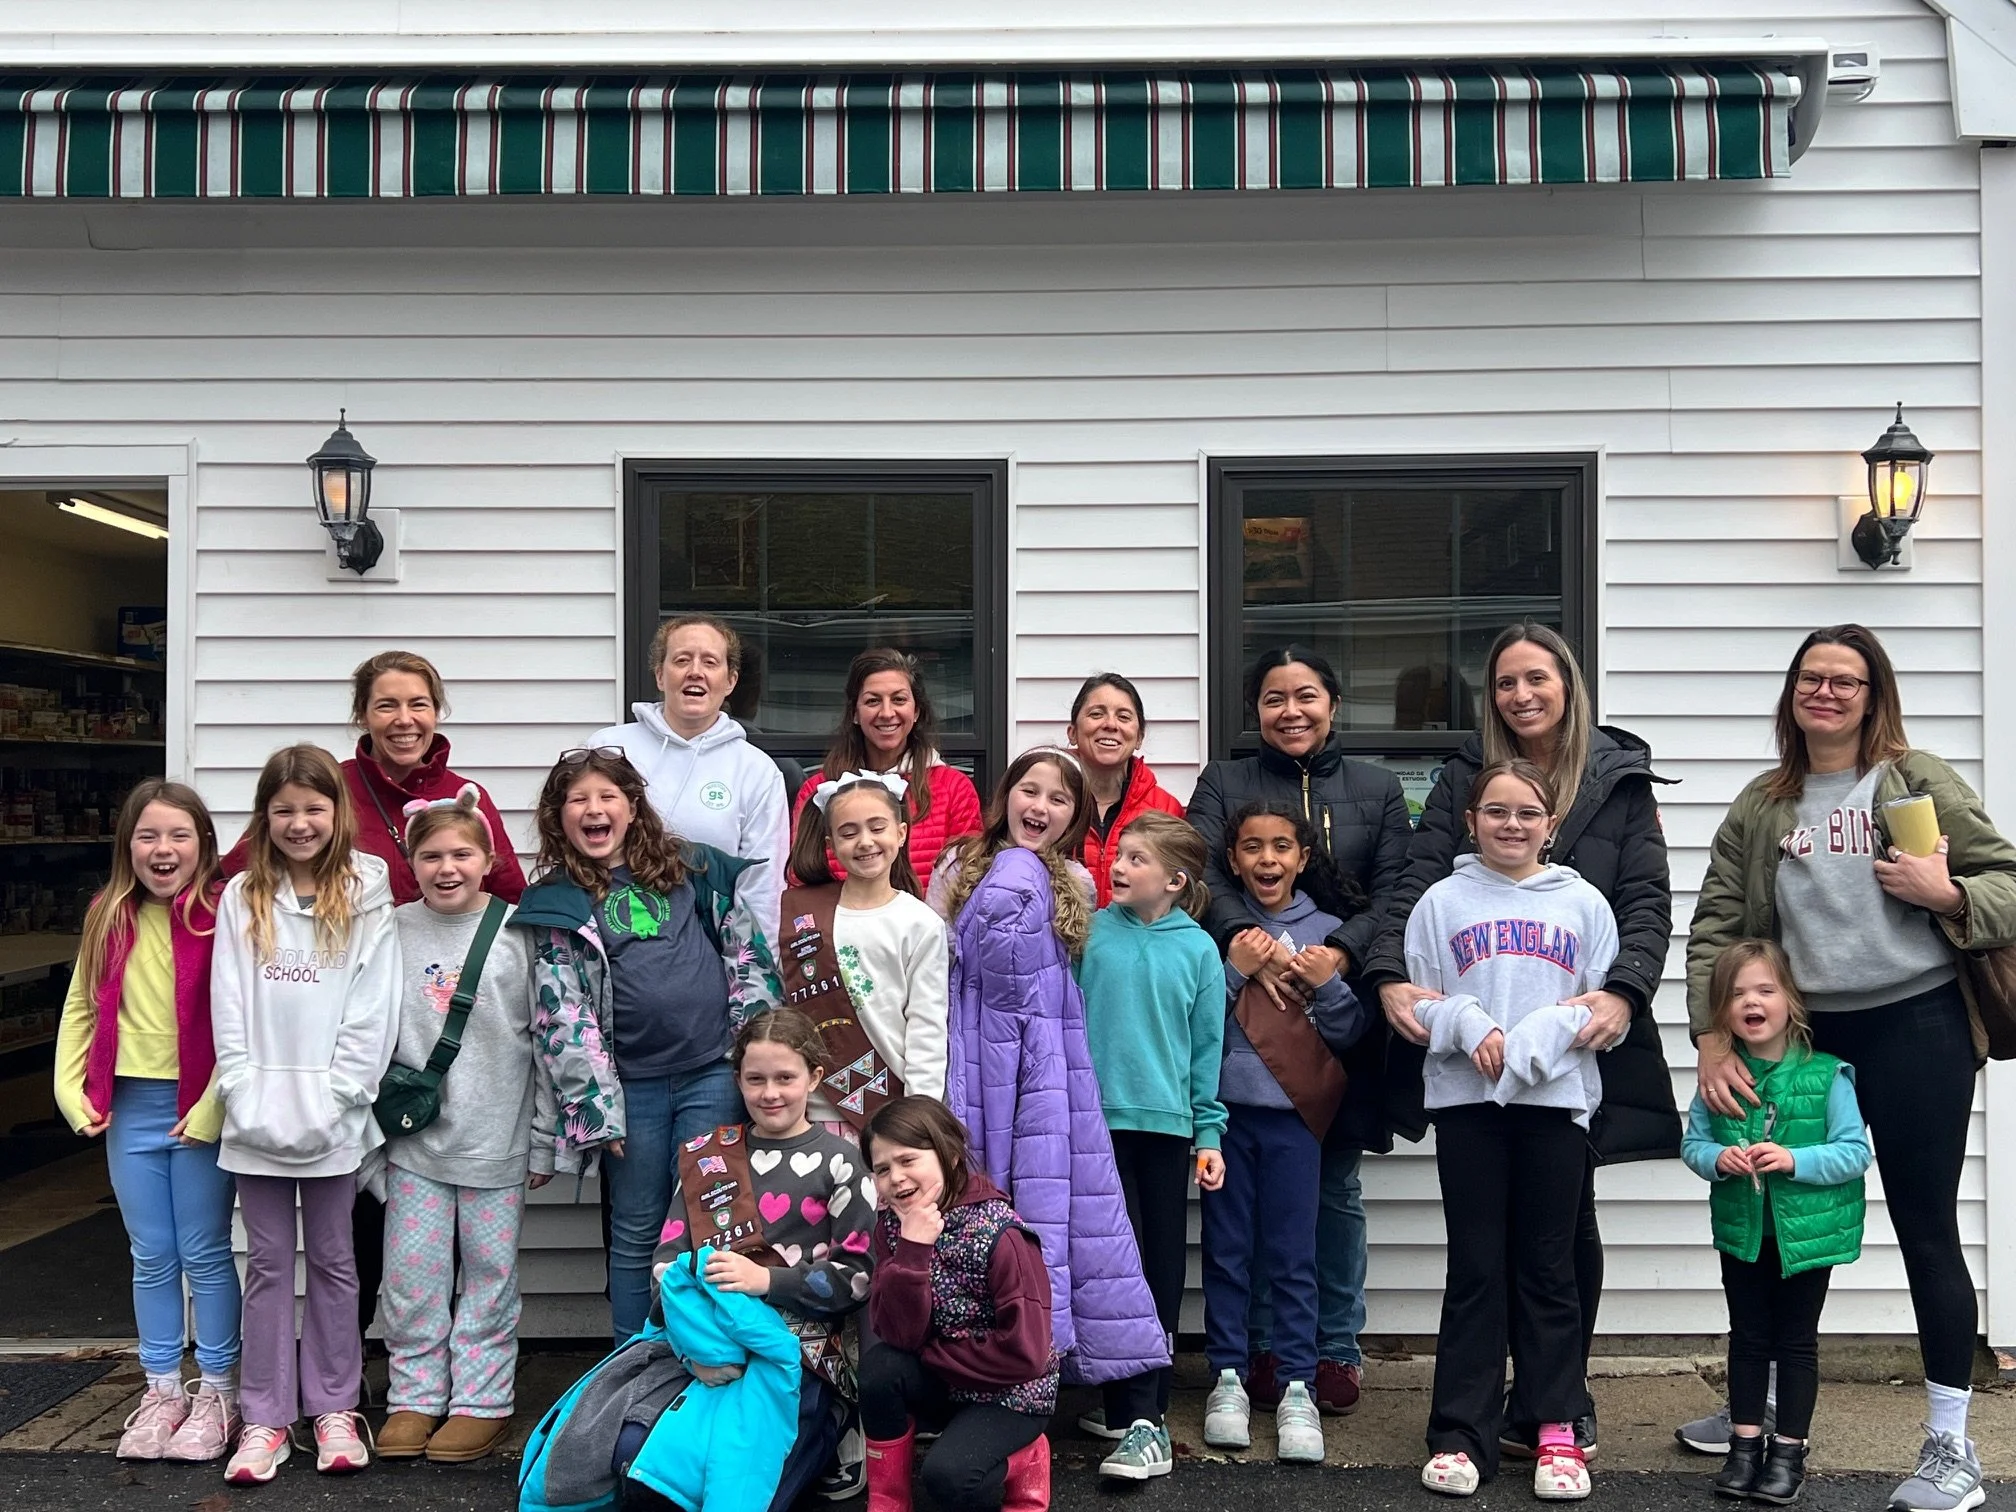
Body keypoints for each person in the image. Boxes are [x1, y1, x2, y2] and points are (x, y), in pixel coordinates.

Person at [1685, 623, 2016, 1512]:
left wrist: (1945, 894)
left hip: (1917, 1027)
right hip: (1805, 1040)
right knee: (1776, 1211)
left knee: (1924, 1227)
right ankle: (1757, 1405)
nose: (1825, 692)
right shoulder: (1763, 803)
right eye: (1811, 678)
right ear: (1792, 692)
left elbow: (2007, 884)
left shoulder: (1916, 780)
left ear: (1875, 695)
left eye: (1846, 680)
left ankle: (1950, 1448)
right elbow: (1718, 924)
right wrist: (1714, 1041)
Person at [1364, 621, 1679, 1457]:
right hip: (1478, 1054)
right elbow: (1413, 884)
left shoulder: (1616, 776)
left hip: (1579, 1034)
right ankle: (1483, 1412)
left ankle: (1555, 1410)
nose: (1522, 694)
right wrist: (1391, 973)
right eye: (1506, 682)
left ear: (1566, 684)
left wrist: (1623, 993)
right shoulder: (1465, 774)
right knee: (1490, 1252)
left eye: (1537, 677)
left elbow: (1647, 897)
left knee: (1566, 1238)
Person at [217, 648, 525, 1356]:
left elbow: (506, 891)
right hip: (343, 1033)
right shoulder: (333, 789)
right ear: (362, 714)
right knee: (357, 1211)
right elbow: (246, 871)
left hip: (431, 1025)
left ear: (437, 710)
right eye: (386, 704)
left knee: (440, 1220)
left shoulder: (463, 797)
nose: (403, 718)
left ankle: (450, 1369)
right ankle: (349, 1367)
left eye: (417, 703)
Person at [1186, 646, 1412, 1415]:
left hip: (1335, 1009)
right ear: (1255, 710)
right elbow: (1202, 872)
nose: (1292, 710)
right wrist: (1240, 943)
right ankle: (1257, 1353)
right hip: (1244, 1004)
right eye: (1275, 698)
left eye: (1307, 695)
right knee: (1249, 1210)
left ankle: (1334, 1349)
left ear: (1333, 702)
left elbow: (1397, 888)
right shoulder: (1226, 782)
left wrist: (1340, 956)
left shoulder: (1377, 788)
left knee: (1335, 1191)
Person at [511, 746, 782, 1345]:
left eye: (607, 796)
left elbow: (746, 956)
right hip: (629, 1090)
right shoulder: (558, 901)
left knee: (714, 1219)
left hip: (711, 1070)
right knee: (635, 1229)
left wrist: (754, 1052)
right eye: (577, 800)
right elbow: (563, 1016)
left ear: (632, 807)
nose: (593, 809)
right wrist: (595, 1111)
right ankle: (632, 1359)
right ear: (559, 819)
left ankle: (715, 1352)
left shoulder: (694, 871)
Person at [1406, 759, 1617, 1501]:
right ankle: (1461, 1433)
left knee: (1548, 1268)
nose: (1512, 825)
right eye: (1496, 811)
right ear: (1472, 821)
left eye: (1528, 813)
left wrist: (1545, 1035)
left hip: (1555, 1108)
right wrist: (1462, 1021)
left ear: (1551, 823)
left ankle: (1552, 1425)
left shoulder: (1585, 904)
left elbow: (1600, 1012)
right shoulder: (1440, 901)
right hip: (1468, 1108)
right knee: (1475, 1268)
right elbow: (1422, 1001)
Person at [938, 748, 1170, 1391]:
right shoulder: (960, 865)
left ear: (1073, 818)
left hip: (1045, 1061)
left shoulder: (1077, 881)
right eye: (1029, 791)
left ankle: (1043, 1364)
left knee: (1043, 1208)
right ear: (1006, 794)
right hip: (974, 1050)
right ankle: (987, 1365)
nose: (1039, 807)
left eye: (1058, 799)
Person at [210, 744, 400, 1485]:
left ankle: (333, 1407)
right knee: (264, 1266)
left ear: (336, 813)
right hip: (255, 1115)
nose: (299, 823)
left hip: (334, 1117)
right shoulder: (241, 897)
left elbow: (371, 1004)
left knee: (334, 1262)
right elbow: (229, 1002)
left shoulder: (365, 891)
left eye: (313, 808)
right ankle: (263, 1417)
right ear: (265, 816)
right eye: (284, 809)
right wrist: (242, 1088)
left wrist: (341, 1094)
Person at [617, 1010, 876, 1512]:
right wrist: (699, 1351)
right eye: (755, 1079)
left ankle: (838, 1427)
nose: (770, 1093)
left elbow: (858, 1279)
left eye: (785, 1078)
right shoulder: (706, 1157)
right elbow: (665, 1267)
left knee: (759, 1487)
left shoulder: (842, 1161)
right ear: (736, 1080)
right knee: (644, 1470)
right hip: (712, 1344)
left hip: (804, 1353)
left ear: (814, 1078)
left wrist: (765, 1281)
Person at [53, 780, 240, 1463]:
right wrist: (73, 1095)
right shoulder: (109, 913)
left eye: (178, 836)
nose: (163, 850)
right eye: (148, 836)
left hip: (200, 1108)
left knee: (205, 1250)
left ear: (205, 846)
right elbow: (80, 1007)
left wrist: (212, 1104)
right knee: (151, 1253)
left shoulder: (225, 913)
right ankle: (162, 1386)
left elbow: (242, 1021)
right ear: (127, 847)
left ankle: (218, 1386)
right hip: (130, 1107)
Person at [375, 789, 557, 1465]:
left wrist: (541, 1136)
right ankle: (414, 1395)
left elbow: (544, 1044)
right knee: (413, 1276)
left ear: (486, 860)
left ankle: (482, 1400)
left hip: (495, 1142)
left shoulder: (519, 935)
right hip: (415, 1145)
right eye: (430, 855)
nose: (446, 867)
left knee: (488, 1277)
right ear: (410, 862)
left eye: (461, 853)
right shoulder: (391, 931)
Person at [1198, 802, 1371, 1468]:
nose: (1266, 860)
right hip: (1224, 1120)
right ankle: (1229, 1378)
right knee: (1227, 1250)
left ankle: (1298, 1382)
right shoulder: (1217, 933)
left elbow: (1351, 1034)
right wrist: (1236, 969)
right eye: (1251, 848)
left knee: (1296, 1255)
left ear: (1303, 857)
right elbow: (1195, 1019)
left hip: (1299, 1119)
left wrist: (1328, 984)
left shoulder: (1329, 931)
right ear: (1233, 859)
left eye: (1280, 848)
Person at [1682, 940, 1871, 1507]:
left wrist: (1794, 1160)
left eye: (1765, 990)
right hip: (1743, 1228)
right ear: (1722, 1012)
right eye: (1737, 994)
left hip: (1806, 1235)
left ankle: (1788, 1451)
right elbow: (1693, 1144)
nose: (1751, 1001)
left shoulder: (1827, 1075)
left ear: (1791, 1001)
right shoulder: (1718, 1077)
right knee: (1746, 1338)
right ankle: (1745, 1449)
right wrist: (1719, 1160)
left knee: (1794, 1344)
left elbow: (1853, 1153)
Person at [1074, 812, 1226, 1479]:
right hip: (1095, 1126)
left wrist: (1208, 1132)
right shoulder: (1090, 935)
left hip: (1164, 1132)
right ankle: (1118, 1400)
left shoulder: (1198, 949)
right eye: (1121, 853)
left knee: (1157, 1268)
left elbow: (1205, 1050)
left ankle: (1149, 1418)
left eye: (1138, 858)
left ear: (1175, 878)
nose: (1122, 864)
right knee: (1109, 1266)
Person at [861, 1095, 1057, 1512]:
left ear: (949, 1156)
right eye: (882, 1169)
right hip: (950, 1379)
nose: (895, 1178)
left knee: (949, 1479)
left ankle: (1026, 1459)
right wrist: (912, 1252)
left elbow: (1027, 1354)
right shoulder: (895, 1227)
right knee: (879, 1368)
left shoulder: (1001, 1235)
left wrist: (932, 1357)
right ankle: (889, 1502)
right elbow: (896, 1334)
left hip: (1012, 1395)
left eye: (908, 1160)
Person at [589, 614, 793, 946]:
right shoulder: (608, 750)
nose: (695, 671)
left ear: (730, 681)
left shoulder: (756, 771)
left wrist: (757, 978)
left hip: (709, 951)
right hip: (613, 943)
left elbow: (762, 890)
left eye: (710, 662)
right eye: (681, 660)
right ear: (659, 675)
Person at [783, 769, 950, 1127]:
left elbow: (927, 1029)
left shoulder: (920, 923)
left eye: (877, 827)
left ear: (901, 833)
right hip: (812, 1109)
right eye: (849, 832)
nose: (865, 842)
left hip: (890, 1108)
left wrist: (921, 1117)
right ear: (831, 843)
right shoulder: (802, 914)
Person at [792, 648, 983, 893]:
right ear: (855, 713)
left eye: (899, 699)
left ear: (916, 711)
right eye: (873, 701)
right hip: (839, 928)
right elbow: (799, 879)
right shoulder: (819, 791)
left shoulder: (954, 789)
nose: (887, 713)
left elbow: (967, 884)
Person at [1064, 673, 1185, 909]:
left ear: (1139, 737)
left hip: (1139, 943)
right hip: (1057, 943)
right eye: (1096, 714)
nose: (1110, 724)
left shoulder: (1166, 810)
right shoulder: (1045, 804)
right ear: (1072, 732)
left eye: (1124, 716)